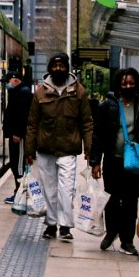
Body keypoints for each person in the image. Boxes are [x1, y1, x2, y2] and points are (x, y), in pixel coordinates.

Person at [25, 52, 94, 241]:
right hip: (45, 149)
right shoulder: (40, 92)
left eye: (62, 66)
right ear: (50, 68)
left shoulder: (78, 91)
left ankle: (65, 226)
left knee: (66, 189)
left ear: (67, 68)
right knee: (49, 189)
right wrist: (29, 151)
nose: (58, 69)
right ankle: (51, 224)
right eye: (55, 66)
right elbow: (32, 123)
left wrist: (89, 148)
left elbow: (87, 122)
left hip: (68, 149)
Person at [90, 68, 139, 256]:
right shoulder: (108, 106)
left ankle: (127, 240)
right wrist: (95, 161)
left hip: (134, 163)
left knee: (130, 200)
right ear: (118, 85)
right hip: (113, 160)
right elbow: (98, 135)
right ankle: (111, 232)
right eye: (124, 83)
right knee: (112, 198)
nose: (128, 86)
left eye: (131, 83)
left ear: (137, 84)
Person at [2, 70, 33, 204]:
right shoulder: (18, 92)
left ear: (15, 80)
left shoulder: (23, 93)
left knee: (19, 165)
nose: (6, 85)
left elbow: (22, 115)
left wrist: (18, 133)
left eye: (7, 82)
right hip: (15, 135)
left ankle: (20, 195)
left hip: (19, 137)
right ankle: (18, 193)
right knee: (15, 164)